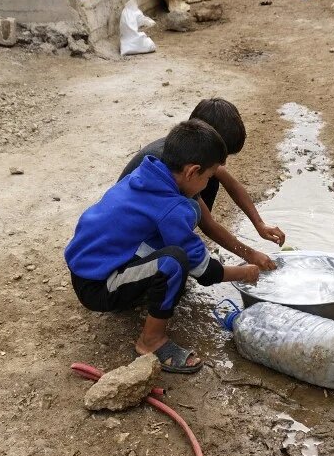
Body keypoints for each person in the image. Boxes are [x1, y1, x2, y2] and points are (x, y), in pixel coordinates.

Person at [65, 120, 261, 374]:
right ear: (192, 172)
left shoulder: (148, 172)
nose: (207, 185)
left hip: (87, 267)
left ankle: (140, 288)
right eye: (209, 178)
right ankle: (151, 341)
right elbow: (206, 273)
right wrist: (246, 272)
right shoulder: (170, 208)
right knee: (174, 262)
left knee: (173, 246)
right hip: (97, 287)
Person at [119, 98, 285, 271]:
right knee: (180, 259)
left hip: (145, 220)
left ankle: (178, 244)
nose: (224, 164)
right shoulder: (173, 167)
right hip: (131, 244)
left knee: (211, 178)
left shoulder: (184, 148)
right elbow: (209, 225)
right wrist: (249, 255)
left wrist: (259, 224)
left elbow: (231, 183)